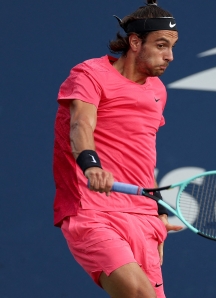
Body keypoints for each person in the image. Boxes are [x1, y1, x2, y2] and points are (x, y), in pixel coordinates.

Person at [52, 1, 181, 297]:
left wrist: (158, 209)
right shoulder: (90, 74)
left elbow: (142, 155)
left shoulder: (158, 91)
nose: (170, 56)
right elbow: (80, 125)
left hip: (143, 218)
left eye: (172, 47)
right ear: (135, 42)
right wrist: (92, 165)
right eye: (161, 45)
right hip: (92, 210)